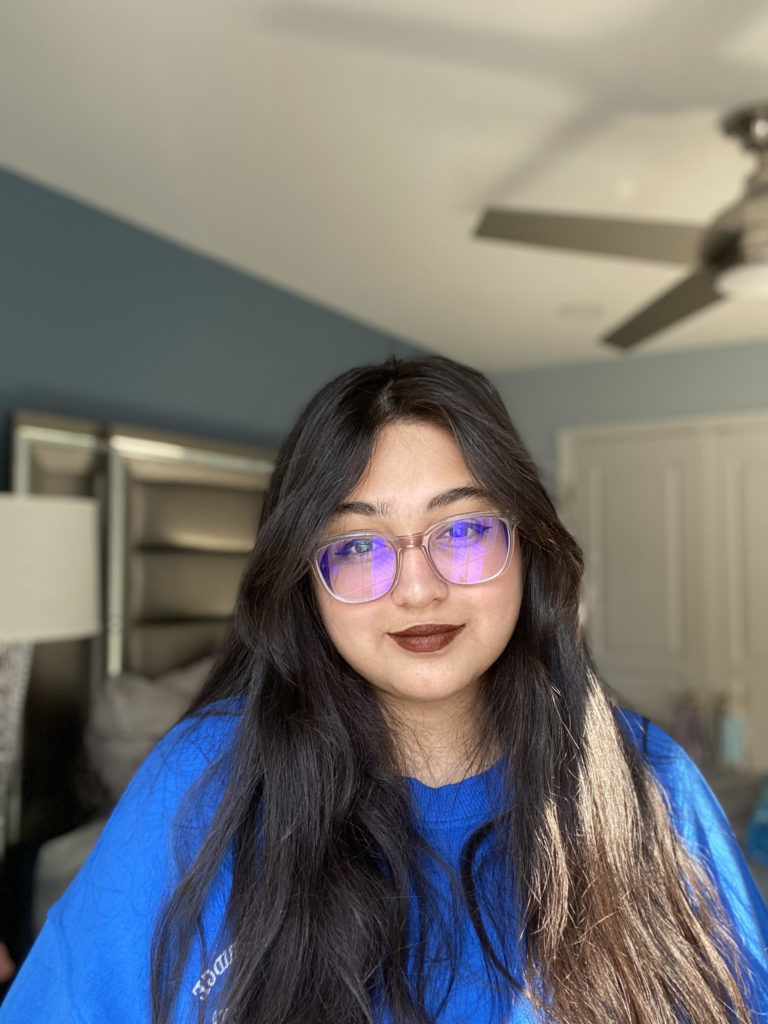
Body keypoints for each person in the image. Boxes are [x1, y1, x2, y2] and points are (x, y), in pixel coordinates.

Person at [1, 355, 767, 1024]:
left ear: (527, 547)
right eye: (359, 545)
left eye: (464, 532)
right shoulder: (204, 780)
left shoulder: (651, 781)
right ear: (305, 579)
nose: (418, 589)